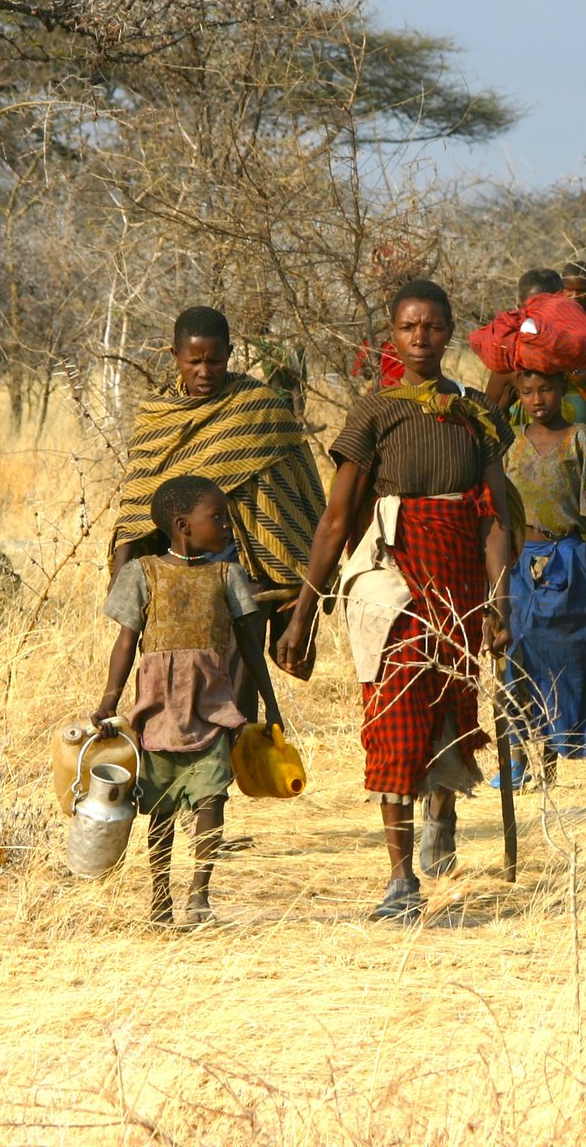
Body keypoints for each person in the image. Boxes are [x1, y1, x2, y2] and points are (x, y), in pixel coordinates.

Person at [277, 280, 514, 921]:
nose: (421, 338)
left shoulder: (474, 412)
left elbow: (496, 517)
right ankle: (399, 878)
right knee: (394, 714)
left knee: (446, 708)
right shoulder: (374, 412)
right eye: (410, 327)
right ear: (393, 333)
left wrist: (499, 601)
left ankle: (441, 810)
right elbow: (336, 517)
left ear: (449, 332)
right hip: (389, 579)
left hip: (460, 580)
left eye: (434, 327)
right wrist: (305, 608)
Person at [95, 475, 284, 926]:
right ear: (183, 525)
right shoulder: (143, 573)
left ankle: (199, 894)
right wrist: (108, 701)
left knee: (211, 797)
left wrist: (270, 704)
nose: (226, 527)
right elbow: (126, 643)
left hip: (212, 707)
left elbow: (250, 649)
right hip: (157, 710)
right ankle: (160, 896)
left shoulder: (228, 575)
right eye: (216, 518)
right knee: (159, 807)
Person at [110, 305, 327, 683]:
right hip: (172, 583)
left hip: (249, 582)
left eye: (215, 360)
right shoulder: (157, 418)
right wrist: (121, 581)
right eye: (194, 361)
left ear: (229, 353)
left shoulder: (259, 409)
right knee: (171, 687)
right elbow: (134, 510)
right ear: (175, 357)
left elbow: (301, 492)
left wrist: (302, 579)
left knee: (237, 693)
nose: (204, 372)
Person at [498, 369, 586, 788]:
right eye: (527, 392)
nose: (538, 399)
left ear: (563, 389)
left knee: (557, 660)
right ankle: (514, 756)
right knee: (512, 653)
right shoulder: (508, 442)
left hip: (567, 561)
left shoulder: (581, 439)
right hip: (516, 561)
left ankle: (549, 757)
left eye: (546, 389)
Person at [482, 268, 586, 449]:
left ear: (563, 305)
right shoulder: (511, 362)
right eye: (532, 309)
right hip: (521, 472)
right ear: (519, 309)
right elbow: (487, 427)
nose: (541, 316)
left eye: (547, 307)